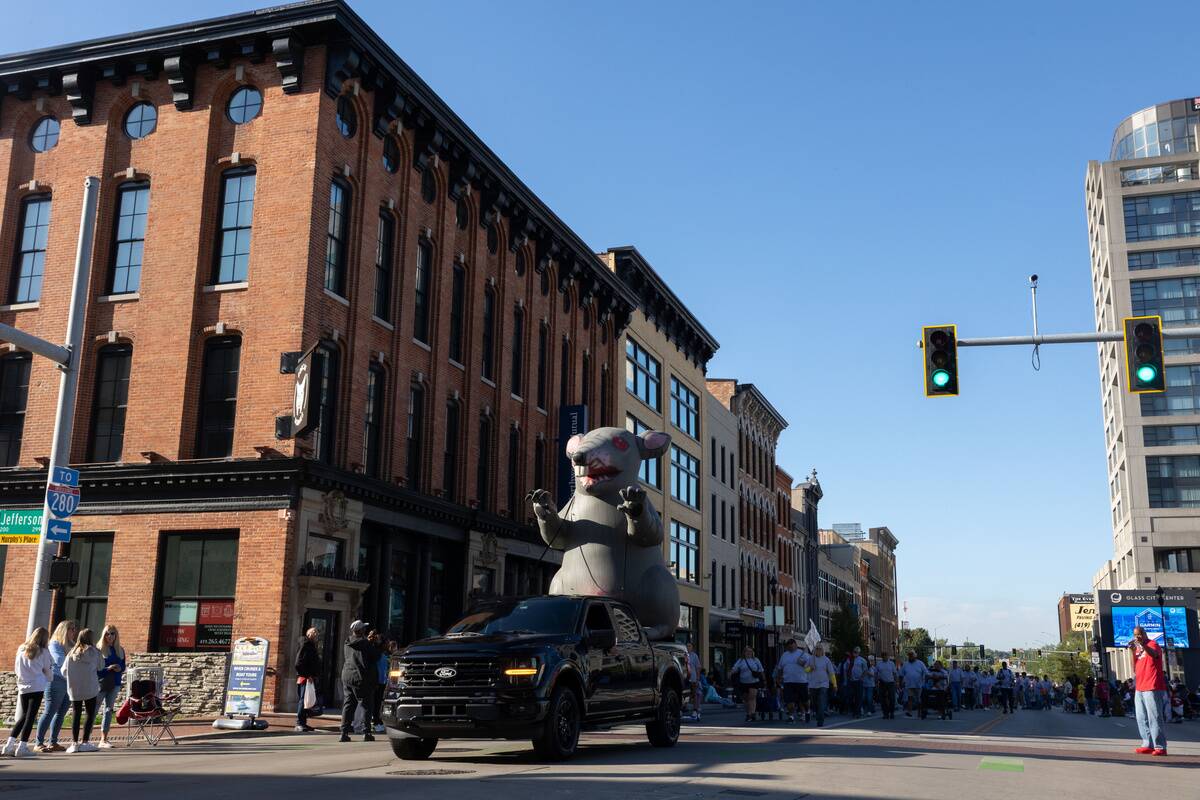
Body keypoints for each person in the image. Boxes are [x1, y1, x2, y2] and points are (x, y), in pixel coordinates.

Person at [4, 627, 54, 758]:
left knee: (24, 715)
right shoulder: (43, 651)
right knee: (30, 717)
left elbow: (16, 668)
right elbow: (48, 671)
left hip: (23, 686)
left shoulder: (21, 648)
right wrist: (48, 678)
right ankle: (22, 746)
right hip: (37, 686)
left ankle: (9, 745)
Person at [34, 620, 76, 753]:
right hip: (56, 680)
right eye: (71, 629)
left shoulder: (72, 645)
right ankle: (38, 743)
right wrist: (76, 659)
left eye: (74, 629)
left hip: (69, 682)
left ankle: (53, 742)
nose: (74, 632)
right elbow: (60, 661)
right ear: (64, 630)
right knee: (50, 711)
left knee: (61, 713)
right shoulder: (55, 644)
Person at [61, 628, 104, 753]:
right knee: (90, 714)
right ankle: (85, 742)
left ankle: (74, 743)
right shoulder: (95, 652)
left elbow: (63, 671)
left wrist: (73, 676)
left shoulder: (71, 653)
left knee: (76, 713)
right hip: (90, 686)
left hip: (74, 687)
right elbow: (101, 667)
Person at [340, 620, 381, 743]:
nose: (365, 630)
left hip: (347, 676)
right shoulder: (365, 644)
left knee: (348, 704)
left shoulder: (347, 642)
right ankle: (366, 732)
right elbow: (376, 656)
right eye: (364, 628)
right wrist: (374, 643)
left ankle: (344, 732)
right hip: (361, 677)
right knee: (366, 705)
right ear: (361, 631)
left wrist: (369, 642)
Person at [1128, 626, 1167, 756]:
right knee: (1141, 717)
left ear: (1144, 634)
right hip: (1140, 686)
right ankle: (1147, 744)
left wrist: (1143, 644)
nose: (1137, 637)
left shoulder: (1153, 644)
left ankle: (1160, 746)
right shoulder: (1138, 649)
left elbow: (1154, 655)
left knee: (1154, 717)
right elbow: (1134, 668)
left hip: (1152, 686)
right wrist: (1132, 651)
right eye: (1135, 635)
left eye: (1139, 634)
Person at [95, 625, 126, 749]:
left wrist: (119, 668)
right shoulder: (99, 649)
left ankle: (104, 738)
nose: (110, 636)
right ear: (104, 635)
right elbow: (95, 668)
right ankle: (85, 738)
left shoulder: (119, 650)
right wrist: (108, 669)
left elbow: (123, 666)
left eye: (112, 633)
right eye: (107, 634)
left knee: (108, 710)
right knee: (94, 709)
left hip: (115, 682)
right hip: (101, 682)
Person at [774, 639, 810, 724]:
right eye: (788, 645)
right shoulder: (784, 655)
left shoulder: (803, 654)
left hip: (801, 681)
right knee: (789, 700)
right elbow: (780, 668)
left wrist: (803, 664)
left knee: (804, 700)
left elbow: (810, 667)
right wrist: (779, 677)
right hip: (788, 681)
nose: (790, 646)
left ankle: (807, 711)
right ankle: (791, 716)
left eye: (792, 644)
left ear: (795, 645)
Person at [294, 627, 321, 732]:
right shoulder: (305, 645)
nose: (316, 636)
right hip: (305, 678)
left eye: (317, 634)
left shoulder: (311, 646)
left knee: (307, 700)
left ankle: (303, 722)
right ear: (309, 634)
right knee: (303, 700)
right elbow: (298, 663)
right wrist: (307, 675)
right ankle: (299, 723)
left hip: (311, 677)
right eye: (314, 633)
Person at [731, 646, 765, 723]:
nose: (749, 653)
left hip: (754, 682)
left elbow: (761, 670)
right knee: (746, 699)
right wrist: (731, 673)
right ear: (744, 652)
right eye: (747, 651)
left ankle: (751, 714)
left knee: (752, 698)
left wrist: (764, 680)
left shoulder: (756, 660)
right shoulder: (740, 661)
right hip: (743, 682)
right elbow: (735, 669)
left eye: (750, 651)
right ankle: (749, 712)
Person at [806, 644, 837, 727]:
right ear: (814, 650)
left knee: (821, 701)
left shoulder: (826, 660)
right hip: (813, 684)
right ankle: (817, 713)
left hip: (823, 684)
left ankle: (820, 719)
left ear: (822, 650)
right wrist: (810, 668)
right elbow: (805, 670)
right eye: (817, 649)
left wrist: (834, 684)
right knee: (814, 702)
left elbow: (831, 673)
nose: (818, 650)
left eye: (820, 649)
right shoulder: (811, 659)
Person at [368, 630, 389, 733]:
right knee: (376, 703)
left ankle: (377, 721)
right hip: (377, 682)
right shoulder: (377, 654)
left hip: (382, 682)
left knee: (379, 703)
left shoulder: (383, 654)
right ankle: (375, 722)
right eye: (386, 643)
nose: (388, 645)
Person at [899, 651, 927, 717]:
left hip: (918, 684)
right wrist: (900, 683)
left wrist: (924, 679)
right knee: (910, 698)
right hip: (909, 684)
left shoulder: (920, 663)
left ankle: (919, 712)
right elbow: (901, 674)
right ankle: (910, 711)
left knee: (919, 699)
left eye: (911, 656)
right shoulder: (905, 664)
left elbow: (925, 672)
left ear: (915, 656)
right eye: (909, 656)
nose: (910, 657)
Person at [847, 647, 868, 718]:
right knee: (850, 696)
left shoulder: (862, 660)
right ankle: (854, 710)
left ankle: (857, 712)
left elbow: (865, 670)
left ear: (859, 653)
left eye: (856, 652)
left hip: (859, 681)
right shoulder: (850, 660)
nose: (854, 653)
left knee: (858, 697)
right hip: (851, 681)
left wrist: (862, 678)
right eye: (853, 651)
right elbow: (847, 669)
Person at [685, 641, 703, 722]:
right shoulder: (684, 655)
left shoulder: (694, 656)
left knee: (694, 694)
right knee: (685, 694)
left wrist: (698, 678)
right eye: (687, 646)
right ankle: (682, 709)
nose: (688, 647)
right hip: (685, 678)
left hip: (693, 678)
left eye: (689, 646)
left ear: (692, 647)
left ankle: (695, 710)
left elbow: (698, 667)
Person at [875, 652, 897, 719]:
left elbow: (894, 673)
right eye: (883, 656)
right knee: (883, 699)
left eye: (886, 656)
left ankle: (892, 712)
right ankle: (885, 713)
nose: (885, 657)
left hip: (891, 683)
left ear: (888, 656)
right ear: (882, 657)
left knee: (892, 698)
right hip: (882, 683)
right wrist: (876, 681)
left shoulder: (891, 663)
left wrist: (896, 682)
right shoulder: (879, 664)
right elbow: (876, 673)